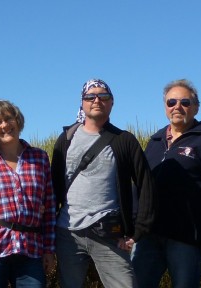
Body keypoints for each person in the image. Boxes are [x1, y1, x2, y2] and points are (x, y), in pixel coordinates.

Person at [50, 78, 156, 288]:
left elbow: (146, 185)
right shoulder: (66, 139)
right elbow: (53, 187)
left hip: (109, 233)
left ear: (112, 102)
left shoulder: (124, 140)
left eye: (103, 96)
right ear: (82, 102)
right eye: (90, 96)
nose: (97, 100)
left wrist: (138, 231)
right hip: (67, 233)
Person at [132, 79, 201, 288]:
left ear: (196, 107)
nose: (177, 107)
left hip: (186, 237)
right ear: (165, 107)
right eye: (171, 102)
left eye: (185, 102)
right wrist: (132, 222)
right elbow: (141, 184)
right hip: (149, 235)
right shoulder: (155, 141)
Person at [0, 99, 56, 288]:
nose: (4, 125)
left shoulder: (39, 157)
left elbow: (49, 206)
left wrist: (49, 249)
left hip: (31, 248)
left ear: (18, 120)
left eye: (9, 118)